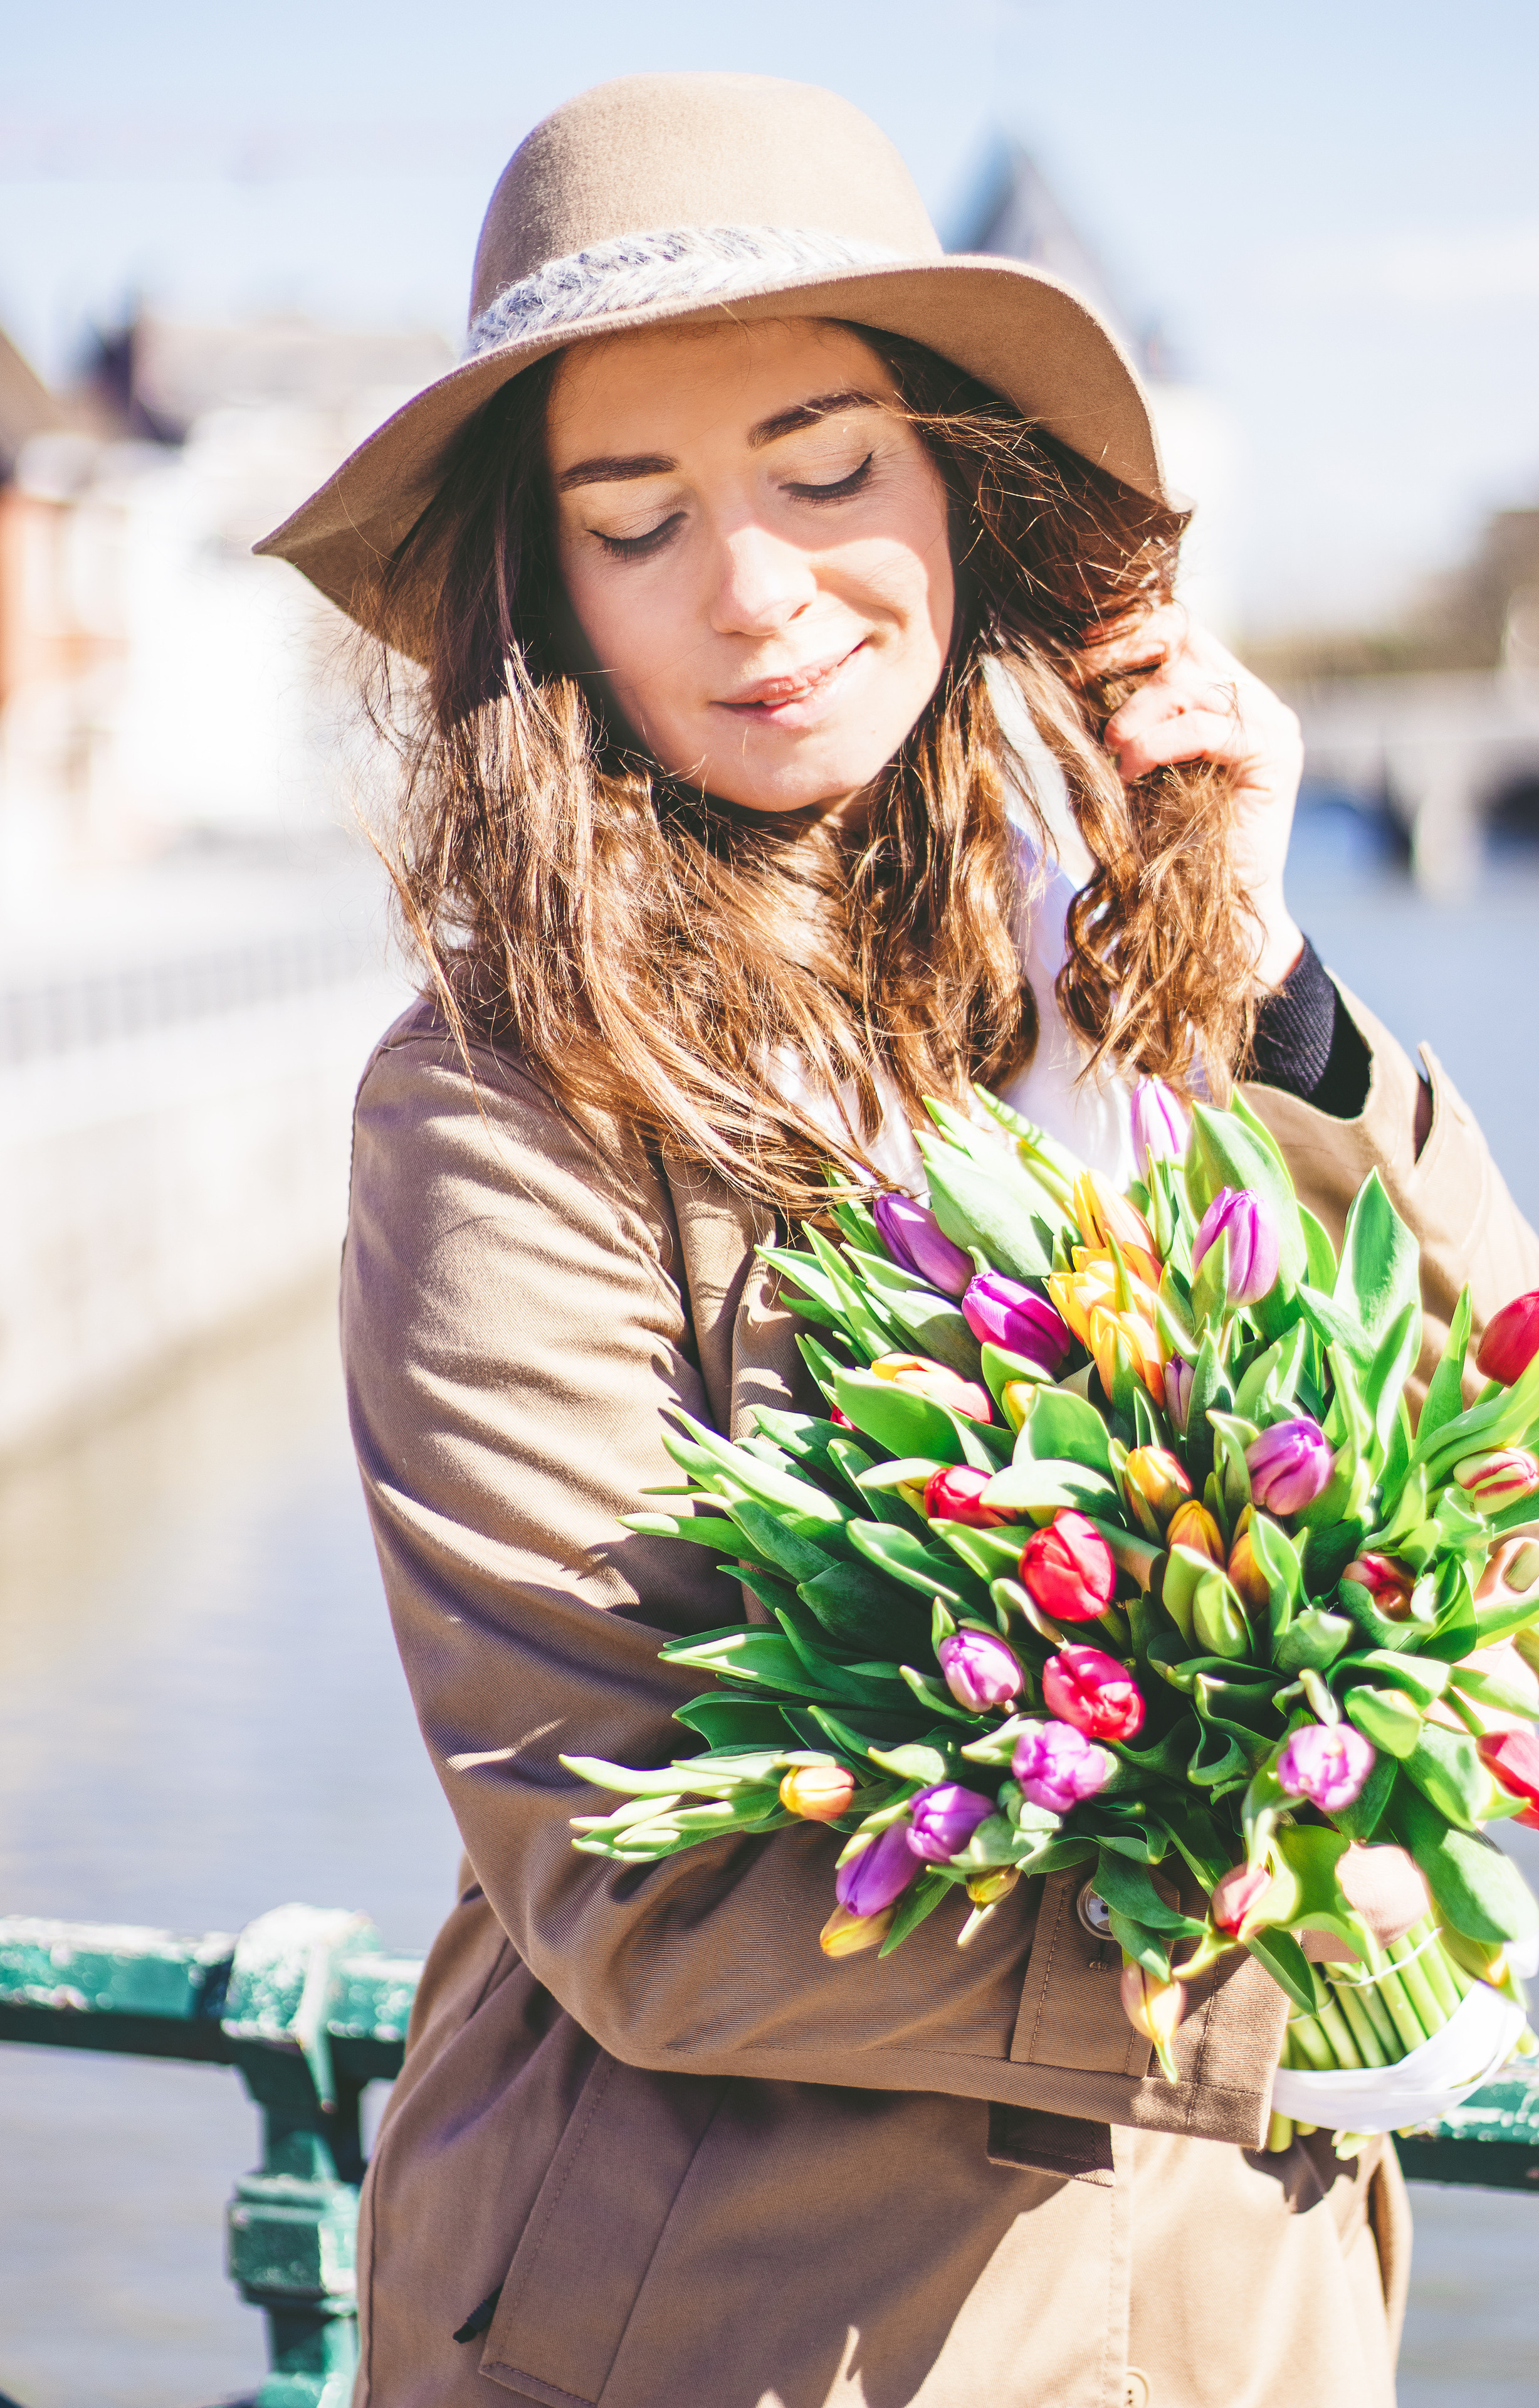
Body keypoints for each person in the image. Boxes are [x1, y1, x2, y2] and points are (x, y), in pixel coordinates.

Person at [258, 72, 1539, 2408]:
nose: (756, 594)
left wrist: (1268, 990)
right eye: (634, 521)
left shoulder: (1122, 906)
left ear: (961, 475)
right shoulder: (495, 1103)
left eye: (830, 473)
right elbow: (631, 1875)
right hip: (736, 2324)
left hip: (1226, 2323)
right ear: (550, 590)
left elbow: (1491, 1446)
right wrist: (1294, 1973)